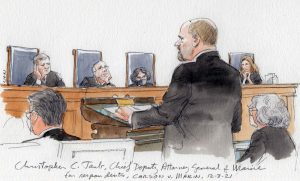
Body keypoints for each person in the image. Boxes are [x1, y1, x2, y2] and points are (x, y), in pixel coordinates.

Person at [115, 18, 242, 158]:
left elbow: (166, 114)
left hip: (185, 158)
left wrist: (133, 116)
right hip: (223, 157)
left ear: (195, 40)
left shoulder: (185, 71)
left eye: (181, 39)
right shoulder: (234, 74)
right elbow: (236, 125)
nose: (177, 43)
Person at [237, 94, 296, 163]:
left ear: (263, 113)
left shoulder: (260, 134)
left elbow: (249, 161)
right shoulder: (284, 132)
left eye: (253, 109)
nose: (250, 112)